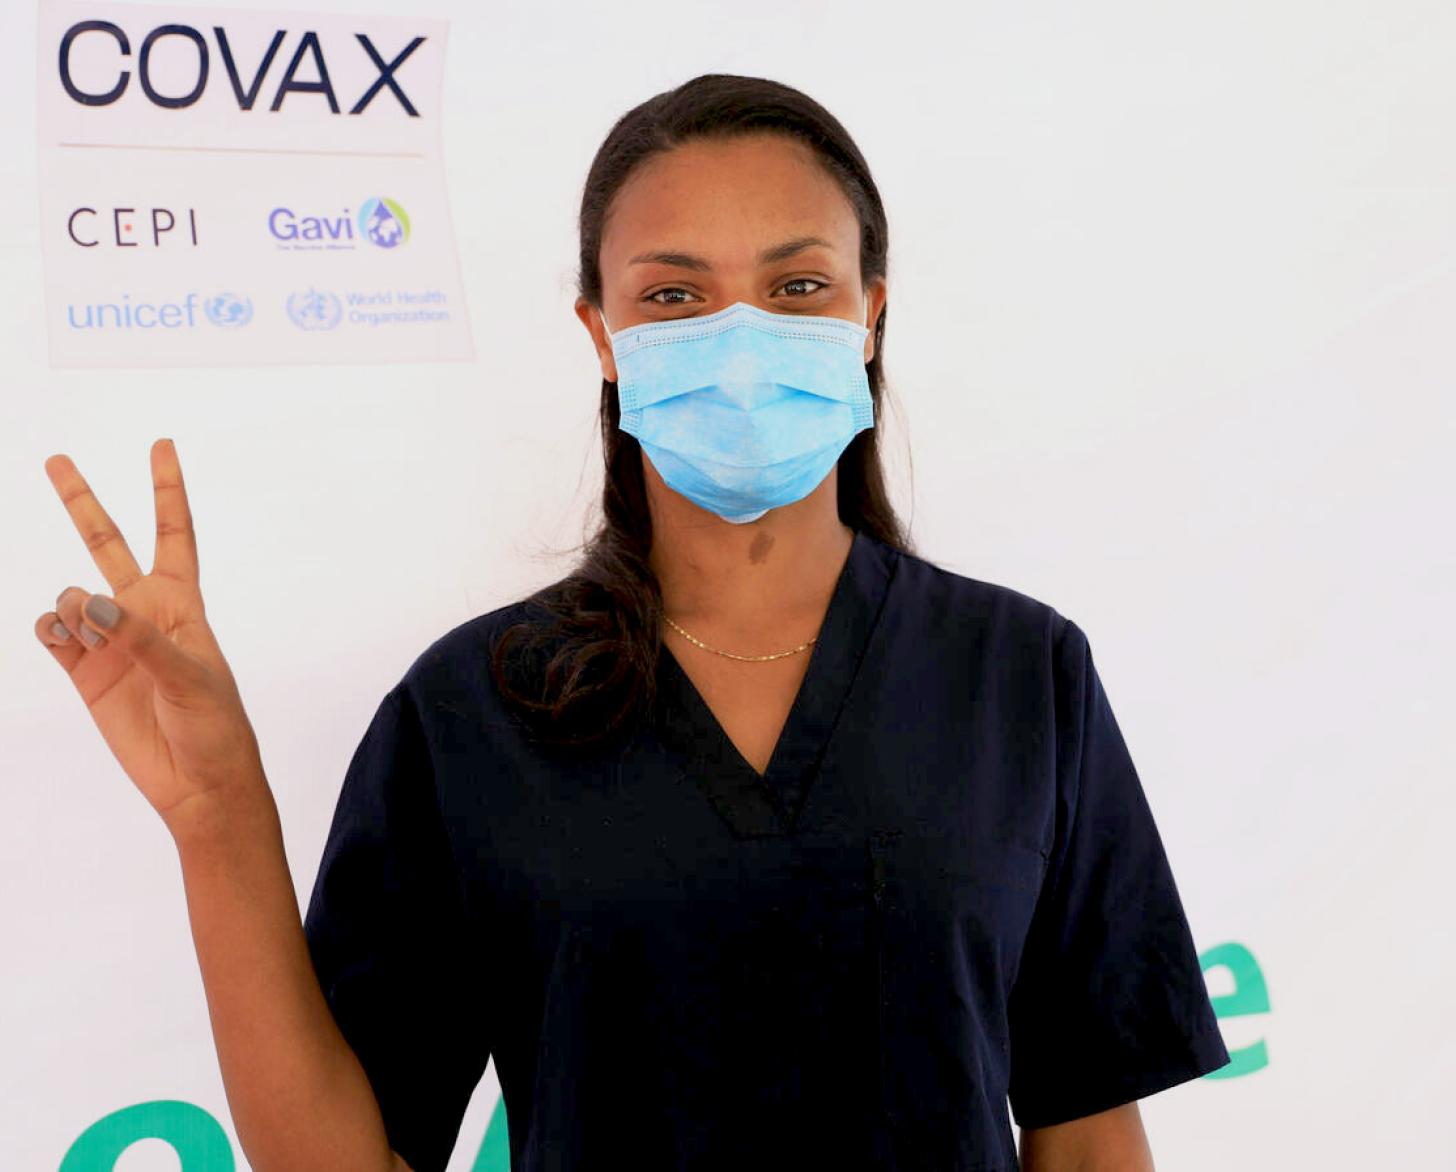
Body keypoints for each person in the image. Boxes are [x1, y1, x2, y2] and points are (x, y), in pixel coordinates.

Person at [34, 73, 1229, 1172]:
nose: (742, 334)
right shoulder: (474, 706)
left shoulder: (1019, 677)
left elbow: (1083, 1133)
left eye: (796, 284)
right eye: (674, 293)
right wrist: (218, 814)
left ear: (867, 312)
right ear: (602, 334)